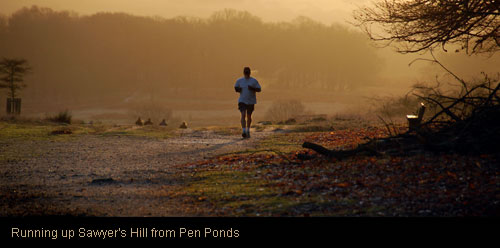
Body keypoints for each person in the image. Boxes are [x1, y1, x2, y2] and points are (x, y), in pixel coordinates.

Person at [234, 67, 261, 138]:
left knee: (249, 116)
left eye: (248, 73)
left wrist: (252, 88)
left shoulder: (254, 81)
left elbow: (259, 89)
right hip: (242, 100)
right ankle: (244, 131)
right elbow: (236, 87)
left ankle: (248, 130)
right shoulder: (239, 80)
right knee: (243, 115)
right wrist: (238, 89)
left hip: (251, 101)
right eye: (246, 73)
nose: (247, 74)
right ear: (244, 73)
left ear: (250, 73)